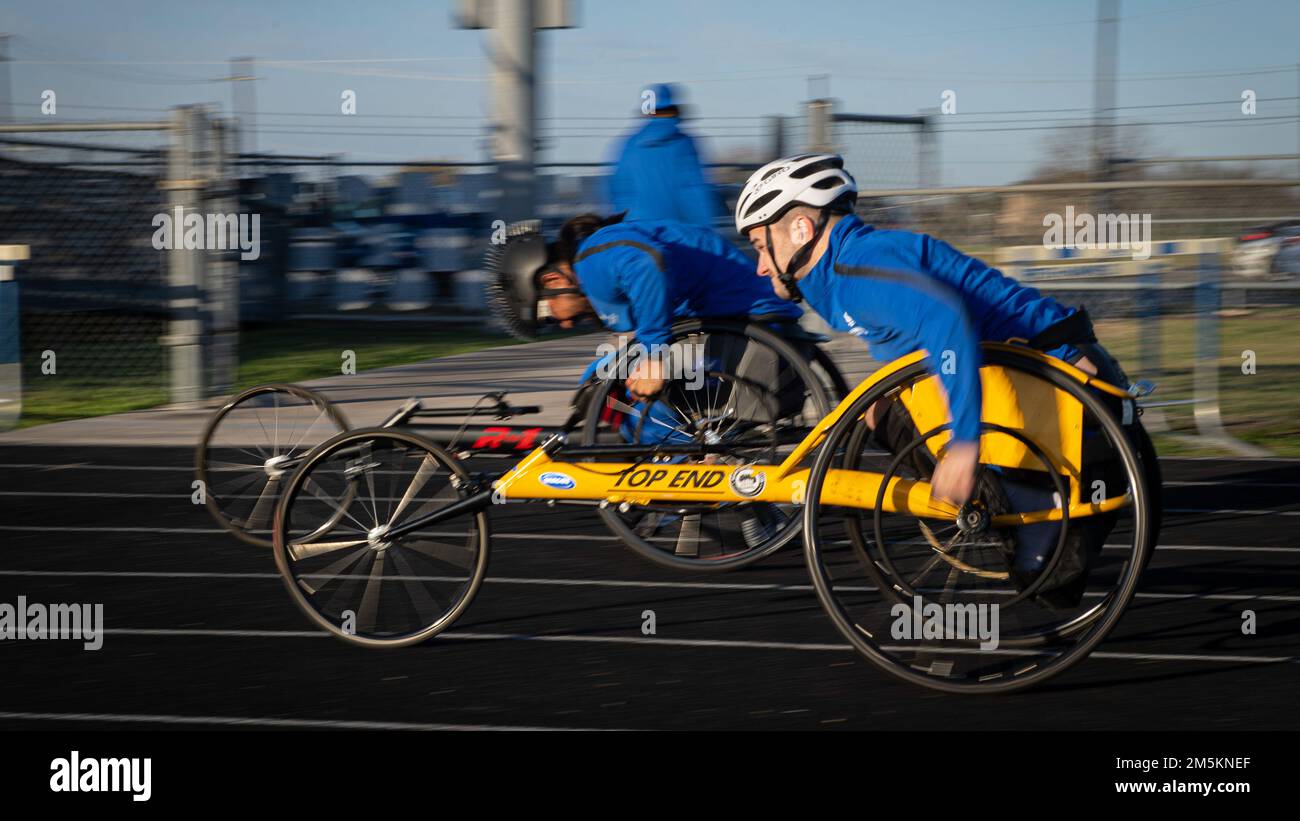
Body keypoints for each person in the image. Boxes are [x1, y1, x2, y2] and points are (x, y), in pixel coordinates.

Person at [734, 153, 1157, 605]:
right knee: (879, 411)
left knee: (1047, 583)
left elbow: (948, 322)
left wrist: (963, 444)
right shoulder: (842, 274)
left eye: (761, 245)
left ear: (801, 228)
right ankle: (1005, 510)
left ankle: (1018, 507)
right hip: (1049, 393)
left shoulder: (856, 269)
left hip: (1074, 406)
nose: (761, 265)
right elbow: (915, 354)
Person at [538, 213, 807, 439]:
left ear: (553, 281)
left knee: (601, 383)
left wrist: (655, 355)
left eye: (549, 316)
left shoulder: (590, 256)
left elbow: (647, 263)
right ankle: (679, 455)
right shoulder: (603, 251)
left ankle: (686, 465)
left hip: (750, 335)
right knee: (607, 378)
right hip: (751, 330)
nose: (564, 324)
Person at [607, 83, 721, 226]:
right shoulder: (684, 143)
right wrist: (705, 228)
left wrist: (624, 226)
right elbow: (694, 189)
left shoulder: (628, 145)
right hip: (679, 228)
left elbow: (619, 190)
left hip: (639, 229)